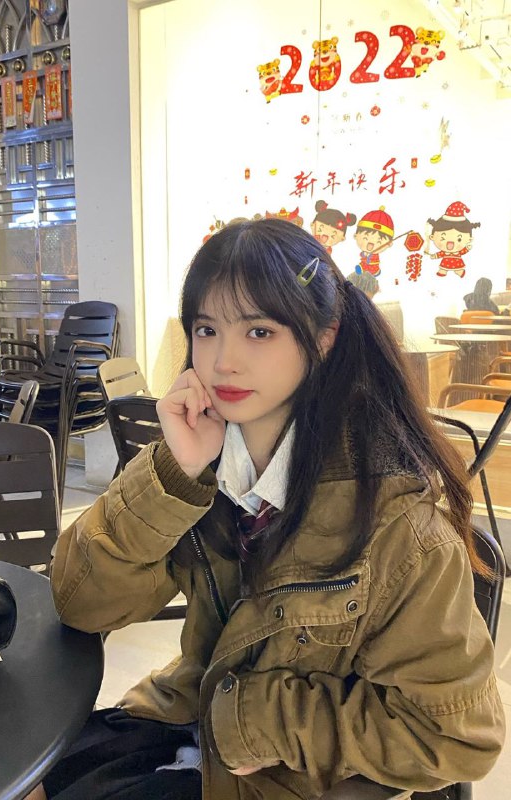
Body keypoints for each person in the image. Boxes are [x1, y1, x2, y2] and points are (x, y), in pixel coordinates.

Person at [34, 219, 504, 800]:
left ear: (324, 339)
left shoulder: (397, 520)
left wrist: (255, 719)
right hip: (182, 721)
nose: (224, 361)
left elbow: (455, 737)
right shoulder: (203, 464)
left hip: (283, 776)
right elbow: (82, 604)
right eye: (207, 329)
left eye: (259, 331)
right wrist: (174, 474)